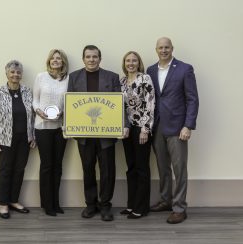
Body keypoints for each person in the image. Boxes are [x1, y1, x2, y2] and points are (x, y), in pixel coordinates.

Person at [147, 37, 199, 224]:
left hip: (178, 127)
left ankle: (179, 207)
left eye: (166, 47)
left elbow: (192, 99)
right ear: (156, 49)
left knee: (179, 168)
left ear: (172, 48)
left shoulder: (185, 69)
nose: (163, 50)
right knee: (163, 167)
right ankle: (165, 200)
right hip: (157, 126)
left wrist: (188, 125)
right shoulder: (151, 70)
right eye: (160, 47)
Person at [67, 45, 120, 221]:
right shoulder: (74, 77)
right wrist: (68, 126)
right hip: (84, 136)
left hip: (106, 135)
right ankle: (90, 204)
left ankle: (105, 205)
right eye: (88, 57)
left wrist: (122, 126)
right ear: (83, 59)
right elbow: (70, 105)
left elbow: (119, 106)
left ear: (100, 58)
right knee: (88, 169)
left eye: (95, 57)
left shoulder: (112, 77)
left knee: (107, 171)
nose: (91, 60)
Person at [0, 60, 36, 219]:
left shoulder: (28, 92)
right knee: (5, 170)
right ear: (7, 74)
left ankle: (14, 200)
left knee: (19, 169)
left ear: (21, 74)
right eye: (12, 72)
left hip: (24, 139)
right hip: (5, 138)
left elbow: (33, 116)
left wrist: (33, 136)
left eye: (18, 72)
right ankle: (3, 203)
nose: (16, 75)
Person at [33, 49, 69, 216]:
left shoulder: (68, 79)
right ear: (49, 61)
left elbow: (70, 101)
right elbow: (35, 100)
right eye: (53, 58)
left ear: (63, 62)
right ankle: (47, 204)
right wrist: (38, 111)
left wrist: (64, 112)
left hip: (60, 127)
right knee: (47, 165)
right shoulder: (41, 77)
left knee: (58, 165)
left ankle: (56, 202)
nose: (55, 60)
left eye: (58, 58)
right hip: (43, 126)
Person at [120, 51, 155, 219]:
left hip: (141, 129)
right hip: (127, 130)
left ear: (139, 62)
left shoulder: (145, 79)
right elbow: (120, 107)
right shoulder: (122, 82)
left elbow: (150, 103)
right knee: (131, 168)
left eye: (134, 60)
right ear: (124, 63)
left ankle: (141, 207)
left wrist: (145, 129)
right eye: (128, 60)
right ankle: (131, 204)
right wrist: (123, 126)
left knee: (142, 168)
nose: (131, 63)